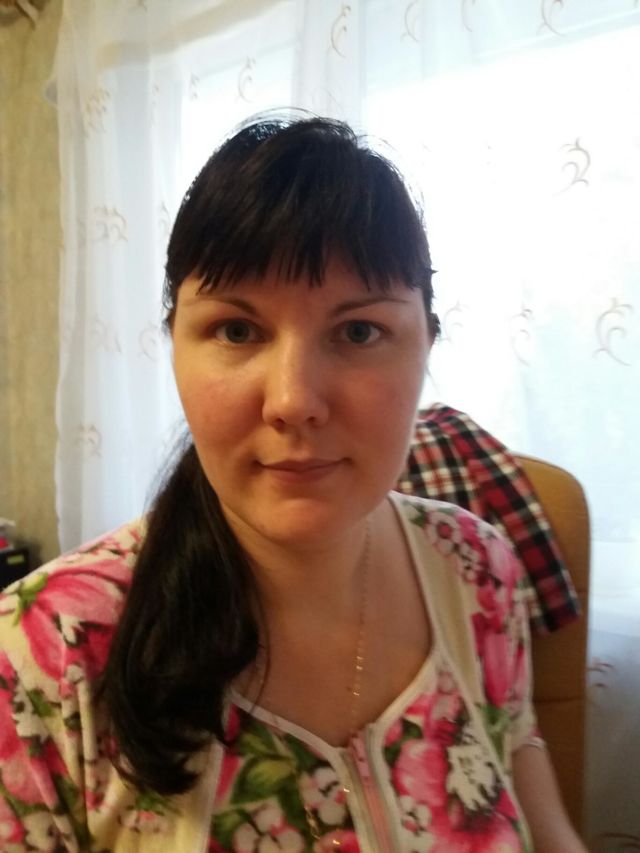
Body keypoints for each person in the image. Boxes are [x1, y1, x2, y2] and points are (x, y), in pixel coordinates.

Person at [0, 115, 587, 852]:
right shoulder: (39, 658)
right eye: (237, 330)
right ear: (174, 344)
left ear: (427, 344)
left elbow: (537, 804)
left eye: (359, 331)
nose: (293, 400)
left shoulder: (479, 571)